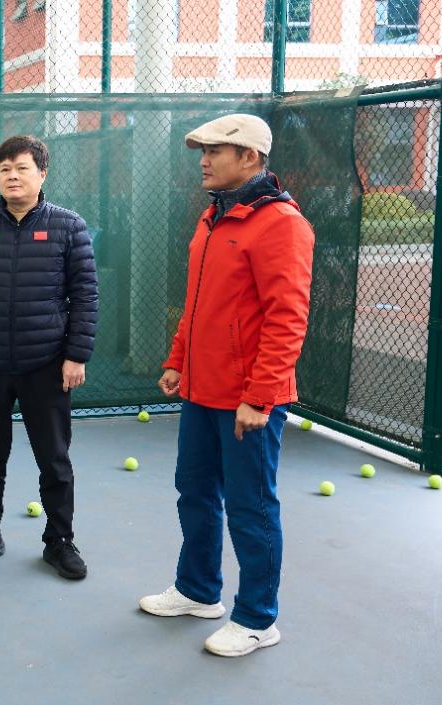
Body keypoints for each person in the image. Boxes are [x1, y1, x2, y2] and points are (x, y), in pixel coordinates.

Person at [138, 114, 314, 657]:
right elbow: (197, 303)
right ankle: (197, 590)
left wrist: (259, 397)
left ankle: (258, 618)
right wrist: (177, 360)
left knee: (250, 506)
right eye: (203, 151)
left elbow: (288, 318)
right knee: (194, 491)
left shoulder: (281, 224)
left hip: (249, 400)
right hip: (201, 389)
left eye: (215, 151)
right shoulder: (213, 217)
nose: (204, 161)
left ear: (250, 158)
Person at [0, 135, 98, 580]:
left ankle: (59, 541)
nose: (12, 176)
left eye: (21, 168)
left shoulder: (69, 226)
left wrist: (76, 355)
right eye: (4, 169)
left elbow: (85, 296)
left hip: (46, 365)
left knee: (54, 459)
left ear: (42, 174)